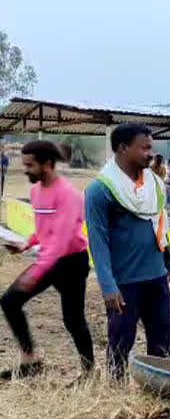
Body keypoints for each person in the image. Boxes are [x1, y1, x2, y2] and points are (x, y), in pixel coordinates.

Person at [85, 123, 170, 379]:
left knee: (162, 338)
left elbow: (158, 223)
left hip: (156, 277)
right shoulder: (100, 190)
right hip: (124, 282)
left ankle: (160, 385)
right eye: (145, 147)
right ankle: (116, 391)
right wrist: (107, 285)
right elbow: (98, 240)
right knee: (120, 341)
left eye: (151, 147)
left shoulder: (154, 185)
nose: (151, 153)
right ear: (123, 148)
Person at [0, 141, 94, 382]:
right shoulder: (36, 190)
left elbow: (61, 241)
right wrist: (26, 244)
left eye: (30, 165)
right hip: (50, 259)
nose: (26, 169)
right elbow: (44, 230)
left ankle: (89, 372)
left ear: (47, 164)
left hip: (72, 262)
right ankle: (29, 361)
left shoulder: (68, 195)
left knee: (73, 320)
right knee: (10, 301)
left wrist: (36, 273)